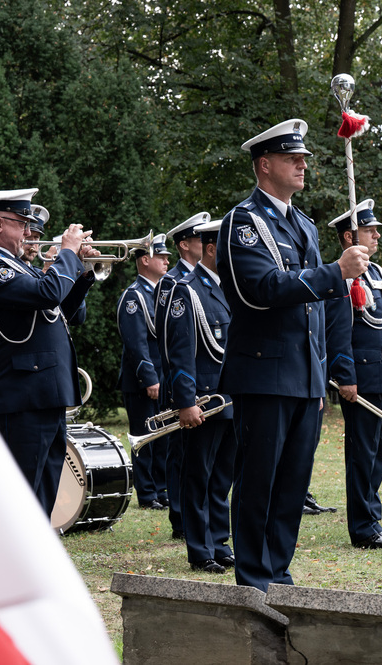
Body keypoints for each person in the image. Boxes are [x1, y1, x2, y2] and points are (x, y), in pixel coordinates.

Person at [216, 118, 370, 591]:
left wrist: (319, 375)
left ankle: (278, 574)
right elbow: (256, 290)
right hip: (263, 373)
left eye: (303, 158)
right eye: (291, 158)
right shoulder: (244, 222)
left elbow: (318, 314)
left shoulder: (301, 223)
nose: (302, 165)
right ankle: (254, 579)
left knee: (291, 487)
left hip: (303, 378)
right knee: (259, 483)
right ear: (265, 165)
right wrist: (333, 272)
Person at [0, 188, 100, 516]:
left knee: (44, 494)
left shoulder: (17, 266)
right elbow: (48, 292)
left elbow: (58, 312)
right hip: (21, 394)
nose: (28, 232)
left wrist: (80, 269)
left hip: (43, 392)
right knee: (21, 498)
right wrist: (66, 252)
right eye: (21, 223)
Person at [324, 200, 382, 548]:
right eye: (369, 230)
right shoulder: (340, 274)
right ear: (348, 237)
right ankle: (363, 527)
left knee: (379, 453)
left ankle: (372, 517)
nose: (375, 235)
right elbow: (338, 330)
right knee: (363, 454)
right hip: (362, 377)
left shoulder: (377, 273)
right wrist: (345, 376)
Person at [159, 218, 236, 573]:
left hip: (232, 398)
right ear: (209, 249)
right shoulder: (186, 290)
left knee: (222, 477)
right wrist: (186, 402)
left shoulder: (235, 288)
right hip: (203, 400)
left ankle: (219, 541)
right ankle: (200, 549)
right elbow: (181, 352)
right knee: (198, 476)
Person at [157, 212, 212, 533]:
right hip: (184, 381)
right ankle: (180, 517)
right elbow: (171, 338)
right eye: (198, 238)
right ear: (184, 244)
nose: (204, 244)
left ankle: (201, 517)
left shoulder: (210, 279)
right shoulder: (172, 281)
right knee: (181, 454)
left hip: (207, 380)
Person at [116, 234, 172, 510]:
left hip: (164, 376)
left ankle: (162, 490)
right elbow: (135, 342)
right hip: (143, 380)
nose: (166, 261)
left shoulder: (163, 292)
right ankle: (148, 494)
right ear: (145, 260)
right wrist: (149, 377)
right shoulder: (134, 296)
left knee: (164, 437)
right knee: (146, 437)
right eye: (161, 257)